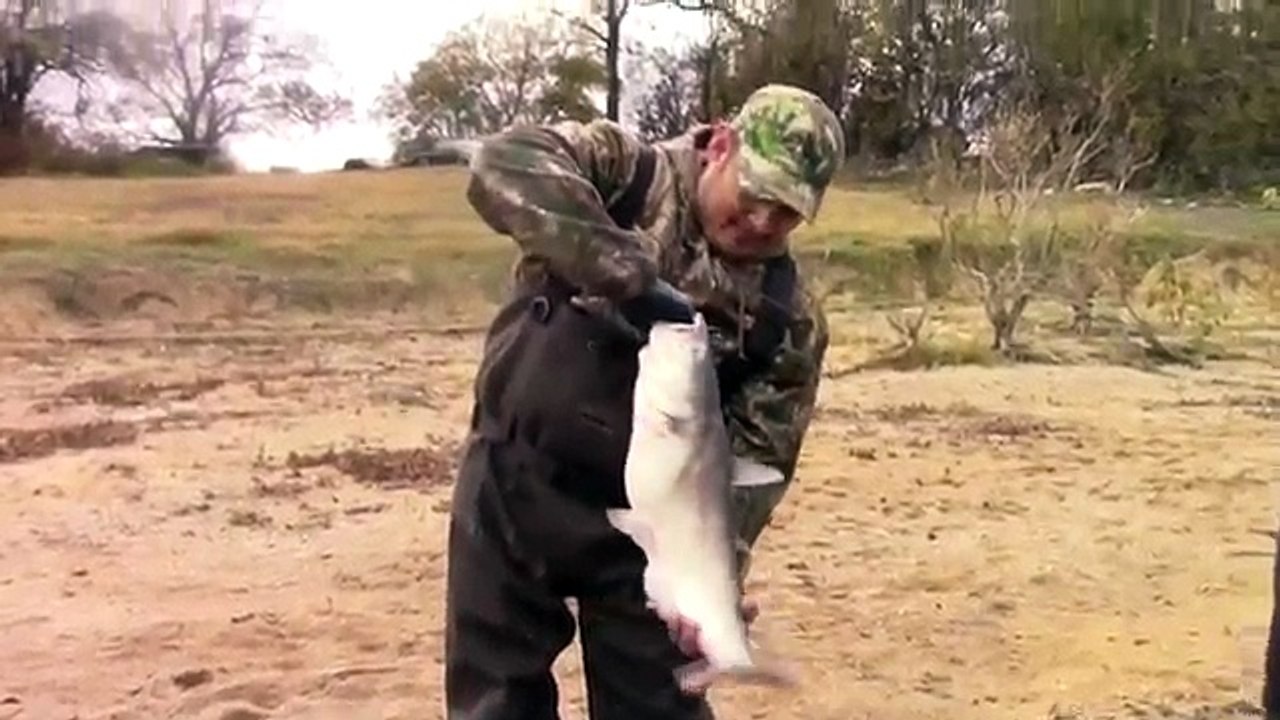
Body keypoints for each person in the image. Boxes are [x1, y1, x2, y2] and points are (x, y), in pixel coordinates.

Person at [444, 83, 846, 720]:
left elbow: (754, 467)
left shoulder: (787, 318)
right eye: (756, 195)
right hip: (515, 482)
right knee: (496, 703)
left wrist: (714, 577)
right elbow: (504, 164)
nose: (764, 222)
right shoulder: (623, 172)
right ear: (720, 145)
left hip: (649, 537)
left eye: (788, 212)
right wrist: (623, 274)